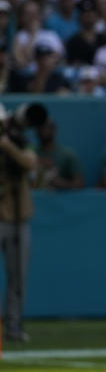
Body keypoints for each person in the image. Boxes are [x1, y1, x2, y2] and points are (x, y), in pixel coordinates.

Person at [0, 103, 40, 342]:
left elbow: (30, 162)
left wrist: (7, 146)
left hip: (18, 216)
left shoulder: (20, 140)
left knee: (18, 275)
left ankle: (14, 324)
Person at [32, 119, 84, 190]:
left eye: (47, 127)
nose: (44, 130)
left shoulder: (67, 155)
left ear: (54, 130)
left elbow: (80, 184)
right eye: (40, 127)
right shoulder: (30, 155)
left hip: (61, 200)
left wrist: (58, 181)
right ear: (36, 131)